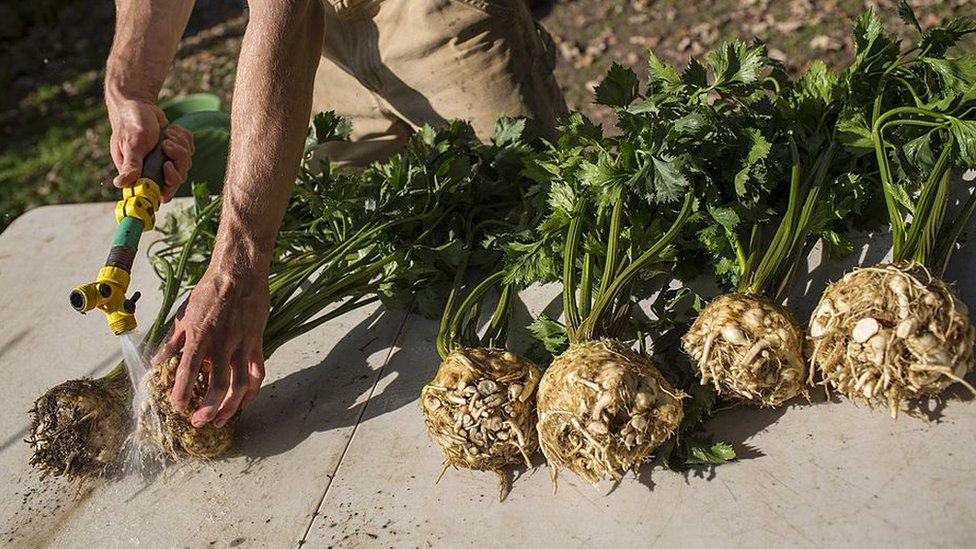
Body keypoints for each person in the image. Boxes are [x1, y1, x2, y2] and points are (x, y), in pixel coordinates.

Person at [107, 0, 565, 430]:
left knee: (531, 213)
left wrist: (235, 270)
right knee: (370, 224)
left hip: (434, 14)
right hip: (318, 32)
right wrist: (131, 88)